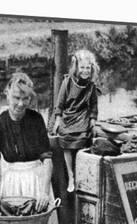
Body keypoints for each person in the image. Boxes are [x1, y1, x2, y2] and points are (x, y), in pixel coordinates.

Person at [0, 73, 60, 224]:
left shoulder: (36, 119)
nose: (20, 104)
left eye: (25, 99)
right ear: (7, 94)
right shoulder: (0, 123)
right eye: (16, 98)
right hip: (12, 182)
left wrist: (44, 191)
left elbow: (47, 158)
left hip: (35, 180)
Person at [52, 49, 100, 192]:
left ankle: (81, 174)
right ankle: (71, 176)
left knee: (83, 139)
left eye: (87, 68)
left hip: (82, 116)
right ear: (77, 68)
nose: (85, 71)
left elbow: (93, 106)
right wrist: (57, 120)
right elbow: (59, 103)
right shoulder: (67, 82)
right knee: (66, 140)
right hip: (68, 117)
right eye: (82, 67)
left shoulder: (91, 86)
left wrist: (92, 120)